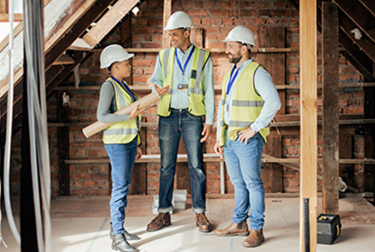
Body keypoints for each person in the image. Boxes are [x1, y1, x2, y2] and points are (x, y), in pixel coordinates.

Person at [146, 11, 215, 233]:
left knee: (197, 166)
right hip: (168, 115)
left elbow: (210, 91)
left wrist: (210, 120)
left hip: (193, 116)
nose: (171, 39)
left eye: (175, 34)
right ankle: (163, 212)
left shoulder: (204, 57)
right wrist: (155, 87)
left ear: (187, 33)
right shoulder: (164, 55)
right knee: (167, 167)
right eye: (170, 35)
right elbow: (154, 79)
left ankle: (200, 212)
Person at [213, 26, 281, 248]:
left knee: (252, 183)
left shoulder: (257, 72)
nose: (226, 50)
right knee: (238, 183)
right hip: (231, 139)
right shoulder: (230, 74)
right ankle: (239, 223)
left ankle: (256, 229)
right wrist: (218, 138)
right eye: (226, 46)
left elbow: (274, 102)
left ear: (244, 48)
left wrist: (255, 128)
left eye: (230, 46)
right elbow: (223, 108)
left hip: (248, 139)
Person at [97, 44, 168, 252]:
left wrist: (137, 143)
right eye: (126, 63)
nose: (129, 65)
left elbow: (133, 116)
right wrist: (127, 117)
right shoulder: (109, 86)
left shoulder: (124, 85)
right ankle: (118, 237)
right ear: (116, 66)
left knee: (124, 185)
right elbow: (102, 117)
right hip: (116, 143)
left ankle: (117, 229)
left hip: (127, 142)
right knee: (119, 188)